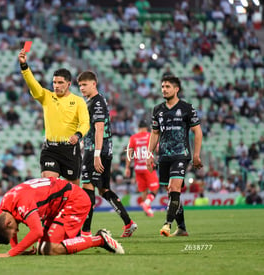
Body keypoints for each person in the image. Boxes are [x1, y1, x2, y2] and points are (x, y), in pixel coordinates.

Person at [0, 177, 124, 257]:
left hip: (74, 200)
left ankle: (99, 239)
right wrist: (18, 250)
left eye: (13, 232)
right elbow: (17, 231)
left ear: (7, 223)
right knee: (42, 248)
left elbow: (37, 231)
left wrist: (10, 253)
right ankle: (94, 239)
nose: (17, 232)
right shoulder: (6, 206)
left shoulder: (22, 203)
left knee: (50, 249)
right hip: (58, 206)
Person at [77, 71, 137, 238]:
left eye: (85, 84)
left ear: (94, 84)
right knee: (103, 189)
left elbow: (99, 128)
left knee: (87, 186)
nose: (82, 88)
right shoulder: (93, 101)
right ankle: (128, 223)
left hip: (97, 151)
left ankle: (85, 232)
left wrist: (96, 154)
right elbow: (91, 129)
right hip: (102, 150)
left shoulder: (96, 102)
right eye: (80, 85)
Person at [18, 49, 89, 186]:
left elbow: (85, 122)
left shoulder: (78, 101)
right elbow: (33, 84)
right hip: (50, 149)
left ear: (68, 84)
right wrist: (24, 67)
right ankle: (52, 207)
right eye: (54, 82)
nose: (56, 86)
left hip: (70, 149)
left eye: (60, 83)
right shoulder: (47, 97)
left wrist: (78, 135)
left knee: (73, 189)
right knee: (48, 184)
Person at [146, 75, 203, 237]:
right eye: (162, 86)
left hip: (181, 154)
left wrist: (196, 154)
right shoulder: (157, 109)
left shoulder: (186, 108)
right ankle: (182, 228)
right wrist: (149, 153)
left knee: (175, 188)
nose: (164, 89)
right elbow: (155, 133)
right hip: (164, 156)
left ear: (176, 89)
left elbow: (197, 131)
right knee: (170, 192)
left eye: (167, 87)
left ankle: (167, 224)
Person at [125, 119, 159, 217]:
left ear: (139, 128)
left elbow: (129, 153)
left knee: (144, 190)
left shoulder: (133, 137)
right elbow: (157, 148)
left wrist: (127, 168)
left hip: (137, 168)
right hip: (148, 166)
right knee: (155, 188)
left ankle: (147, 210)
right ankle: (147, 204)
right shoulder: (150, 136)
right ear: (146, 128)